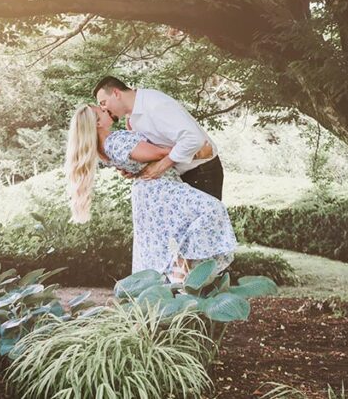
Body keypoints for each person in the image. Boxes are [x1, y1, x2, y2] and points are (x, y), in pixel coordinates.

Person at [63, 104, 237, 282]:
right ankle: (180, 271)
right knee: (211, 209)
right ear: (98, 123)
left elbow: (136, 158)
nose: (106, 110)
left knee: (171, 239)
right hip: (159, 188)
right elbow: (162, 153)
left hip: (149, 194)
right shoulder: (116, 141)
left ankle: (180, 275)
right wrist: (199, 153)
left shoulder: (104, 147)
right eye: (102, 111)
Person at [92, 76, 224, 200]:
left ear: (116, 93)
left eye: (103, 103)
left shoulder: (155, 105)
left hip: (201, 173)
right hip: (180, 177)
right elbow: (153, 151)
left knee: (209, 222)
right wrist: (135, 168)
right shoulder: (132, 119)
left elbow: (194, 138)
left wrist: (162, 166)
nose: (104, 109)